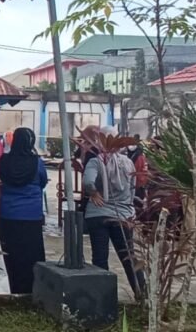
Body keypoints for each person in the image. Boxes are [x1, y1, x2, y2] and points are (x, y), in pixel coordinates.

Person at [82, 126, 146, 298]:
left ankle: (103, 299)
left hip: (98, 214)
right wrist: (127, 206)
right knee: (129, 256)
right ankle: (142, 295)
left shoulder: (96, 161)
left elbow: (88, 181)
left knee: (100, 258)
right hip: (122, 215)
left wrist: (93, 193)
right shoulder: (128, 162)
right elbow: (133, 188)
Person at [0, 127, 49, 294]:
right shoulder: (37, 162)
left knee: (9, 252)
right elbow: (43, 181)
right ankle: (30, 288)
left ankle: (9, 286)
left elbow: (1, 178)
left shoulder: (3, 160)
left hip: (7, 213)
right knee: (30, 254)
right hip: (31, 215)